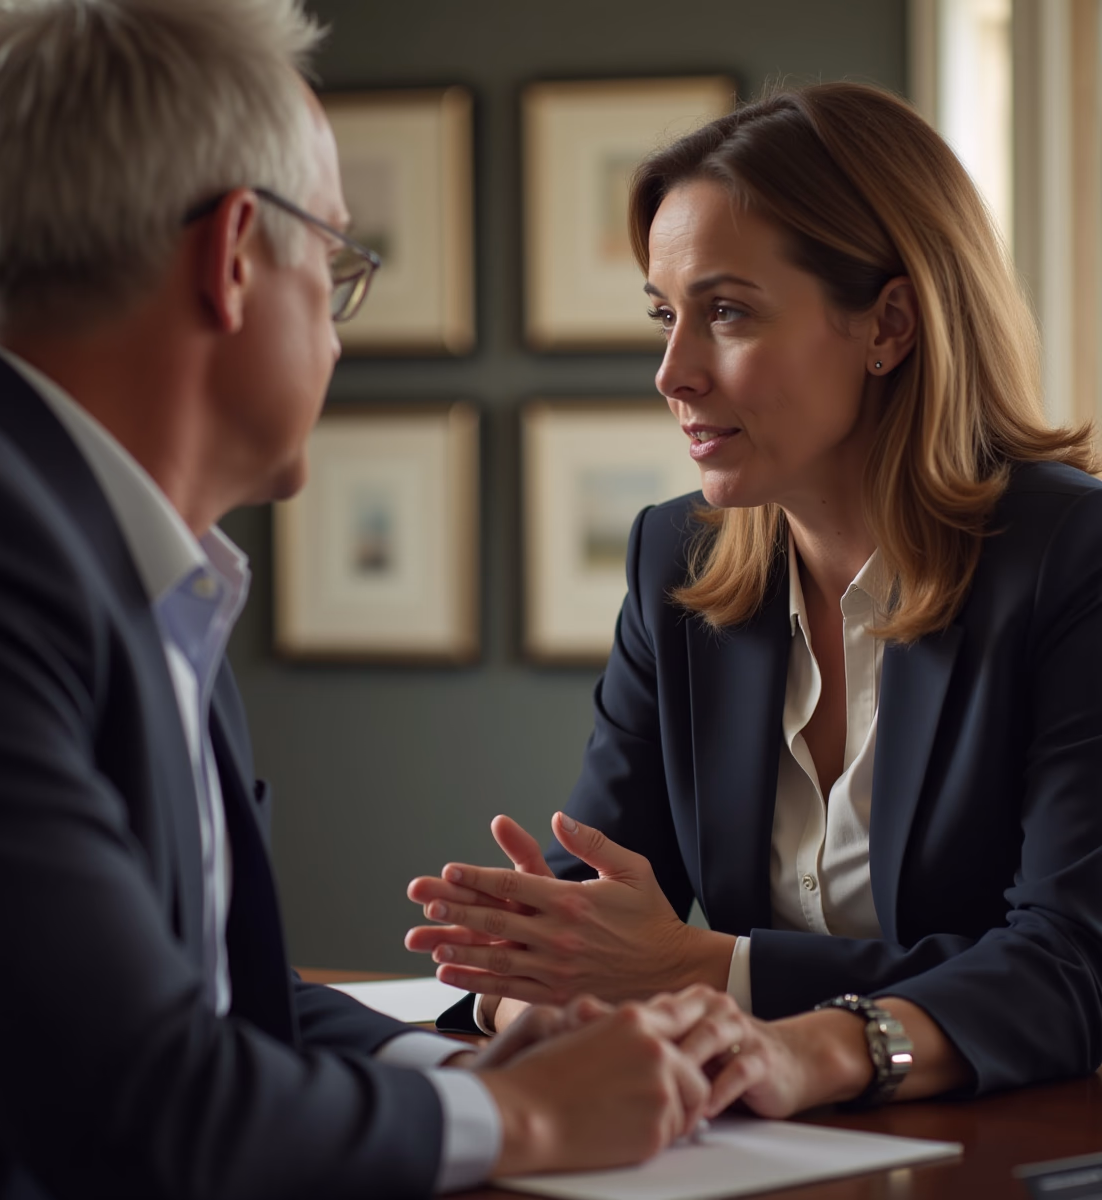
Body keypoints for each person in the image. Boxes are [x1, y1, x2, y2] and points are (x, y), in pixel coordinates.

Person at [0, 2, 736, 1196]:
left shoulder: (113, 544)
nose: (340, 340)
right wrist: (522, 1121)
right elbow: (141, 1109)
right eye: (336, 262)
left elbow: (209, 1000)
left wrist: (468, 1067)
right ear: (234, 255)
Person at [408, 81, 1102, 1108]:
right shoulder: (675, 563)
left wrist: (724, 983)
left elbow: (1070, 966)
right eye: (664, 315)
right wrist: (528, 983)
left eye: (726, 311)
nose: (672, 372)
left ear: (889, 326)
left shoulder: (1072, 557)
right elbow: (592, 914)